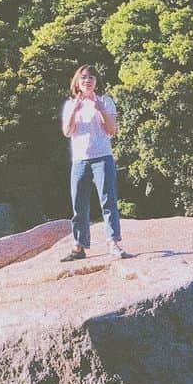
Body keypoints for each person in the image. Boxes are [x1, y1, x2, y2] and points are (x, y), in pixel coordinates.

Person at [60, 64, 129, 260]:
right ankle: (79, 246)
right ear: (77, 82)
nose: (87, 80)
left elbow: (112, 130)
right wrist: (74, 110)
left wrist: (101, 110)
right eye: (83, 78)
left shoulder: (105, 101)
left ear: (96, 82)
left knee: (108, 201)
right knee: (79, 204)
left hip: (102, 157)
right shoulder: (70, 104)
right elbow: (67, 131)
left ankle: (113, 243)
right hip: (80, 159)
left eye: (91, 77)